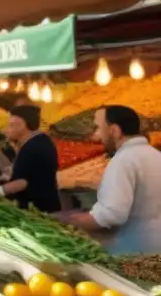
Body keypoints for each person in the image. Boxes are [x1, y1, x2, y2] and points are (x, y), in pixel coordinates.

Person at [65, 106, 161, 253]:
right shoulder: (156, 155)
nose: (96, 136)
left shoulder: (123, 160)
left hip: (134, 249)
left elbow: (112, 214)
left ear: (114, 131)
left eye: (98, 128)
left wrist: (68, 222)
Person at [0, 104, 61, 212]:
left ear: (21, 125)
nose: (6, 130)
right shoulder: (41, 141)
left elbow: (22, 182)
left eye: (11, 125)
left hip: (38, 209)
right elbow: (32, 172)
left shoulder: (32, 147)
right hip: (47, 204)